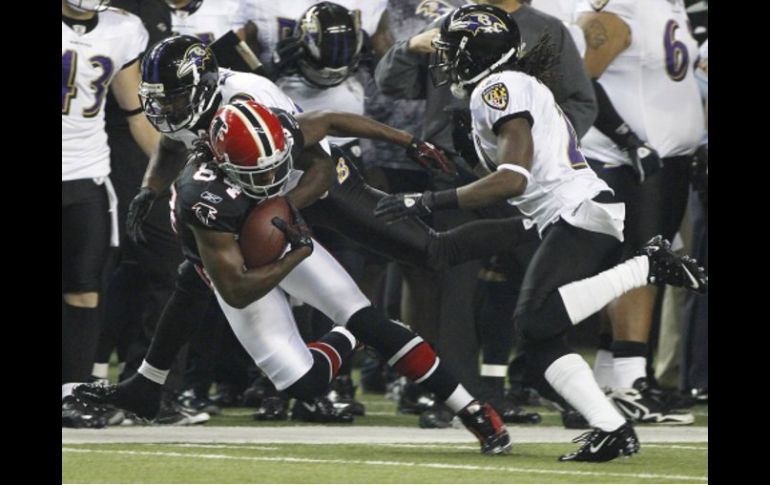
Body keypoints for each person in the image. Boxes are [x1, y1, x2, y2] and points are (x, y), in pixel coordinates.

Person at [81, 98, 514, 455]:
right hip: (240, 267)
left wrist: (406, 141)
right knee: (306, 383)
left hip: (277, 235)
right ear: (225, 162)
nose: (271, 180)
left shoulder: (273, 128)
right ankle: (350, 337)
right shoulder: (203, 198)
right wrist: (297, 252)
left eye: (275, 168)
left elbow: (328, 123)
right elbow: (235, 289)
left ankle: (471, 408)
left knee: (367, 316)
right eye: (259, 175)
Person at [373, 4, 707, 462]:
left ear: (475, 53)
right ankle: (611, 428)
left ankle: (647, 265)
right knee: (536, 339)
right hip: (551, 214)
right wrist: (459, 164)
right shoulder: (505, 85)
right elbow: (519, 170)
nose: (444, 58)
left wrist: (427, 200)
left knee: (533, 321)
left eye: (452, 49)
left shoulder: (498, 88)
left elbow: (513, 178)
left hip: (575, 211)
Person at [574, 0, 704, 424]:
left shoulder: (668, 6)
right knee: (637, 266)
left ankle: (613, 382)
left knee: (646, 267)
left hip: (666, 158)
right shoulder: (619, 6)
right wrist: (628, 139)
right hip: (629, 161)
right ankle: (630, 383)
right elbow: (580, 78)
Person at [62, 0, 159, 427]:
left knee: (85, 286)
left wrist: (173, 173)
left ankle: (71, 392)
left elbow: (135, 113)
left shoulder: (124, 30)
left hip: (86, 172)